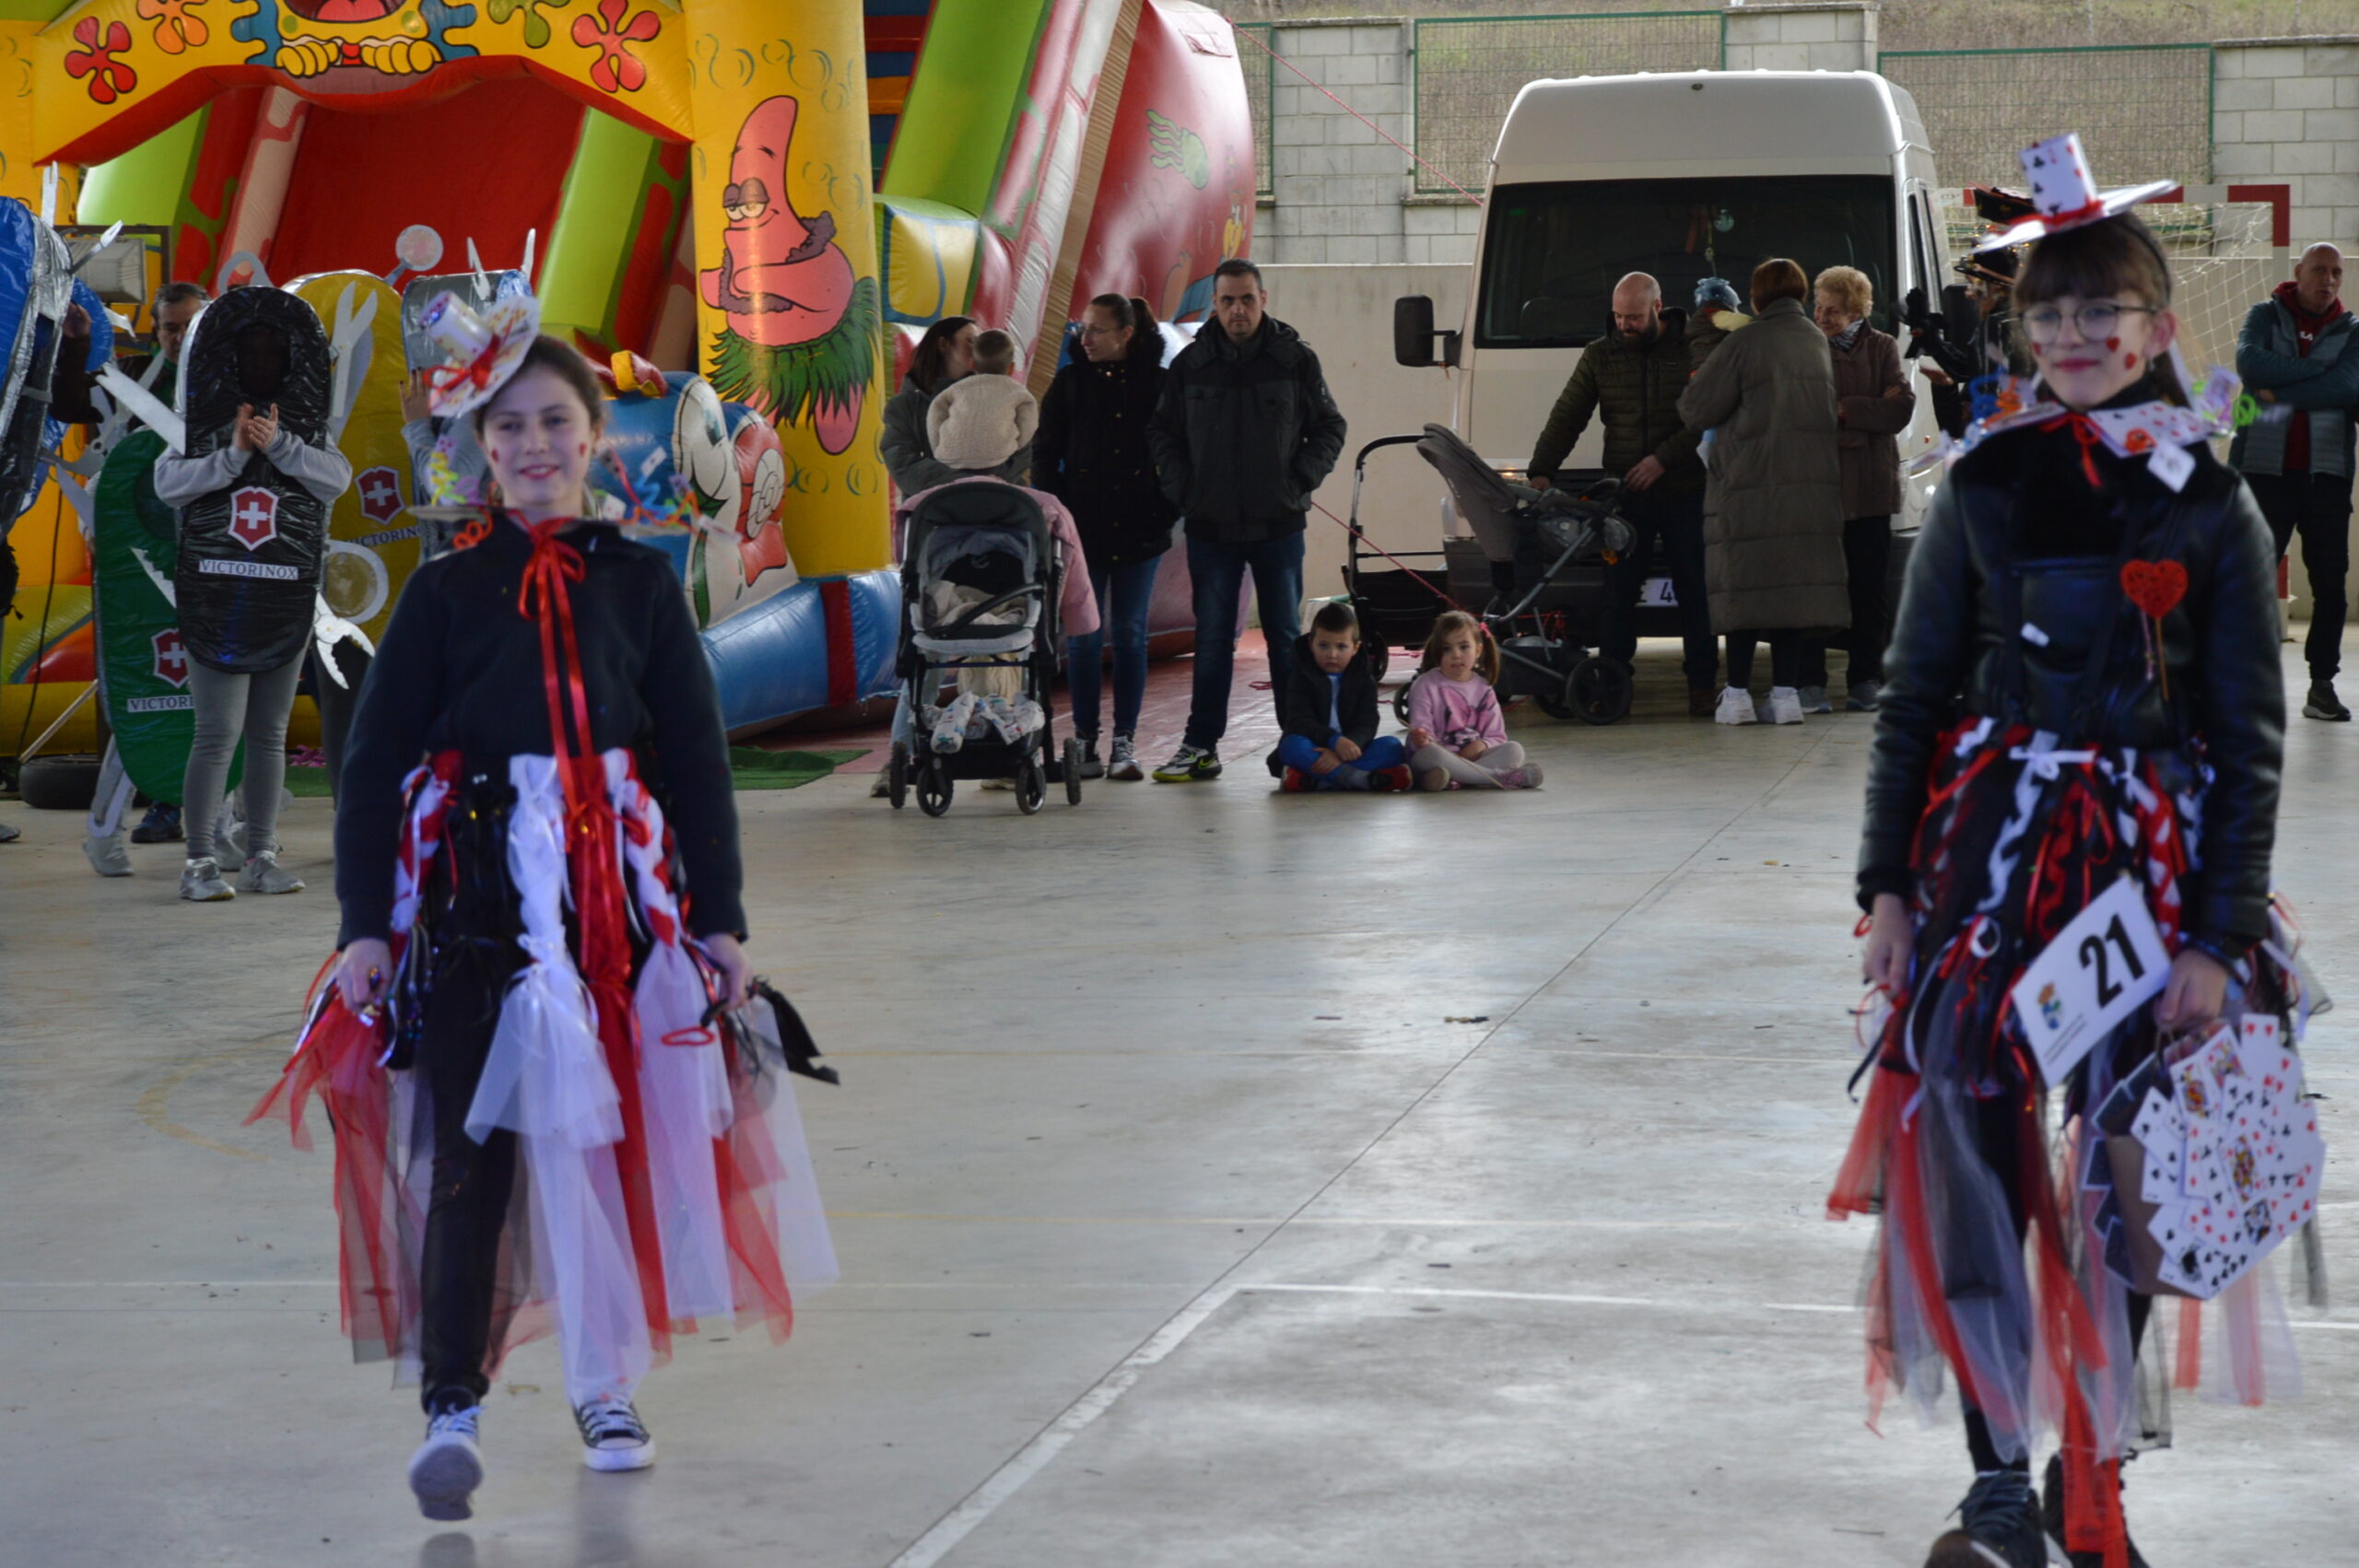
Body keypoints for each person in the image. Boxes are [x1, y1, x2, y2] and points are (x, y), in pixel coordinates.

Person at [1835, 137, 2296, 1568]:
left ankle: (2089, 1482)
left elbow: (2250, 740)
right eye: (2049, 314)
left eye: (2103, 312)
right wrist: (1890, 889)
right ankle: (1992, 1483)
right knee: (1968, 1161)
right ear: (2020, 329)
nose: (2074, 336)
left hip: (2149, 888)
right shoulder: (1980, 489)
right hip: (1988, 871)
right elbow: (1911, 697)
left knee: (2128, 1185)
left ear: (2158, 327)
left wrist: (2217, 941)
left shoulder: (2212, 503)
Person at [313, 310, 824, 1520]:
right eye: (511, 427)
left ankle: (606, 1384)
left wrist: (720, 919)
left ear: (596, 438)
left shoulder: (641, 584)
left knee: (600, 1153)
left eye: (557, 422)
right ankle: (453, 1403)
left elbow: (696, 763)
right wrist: (367, 925)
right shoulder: (443, 595)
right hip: (480, 911)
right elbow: (376, 763)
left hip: (615, 919)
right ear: (479, 447)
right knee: (467, 1163)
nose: (535, 444)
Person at [152, 290, 352, 900]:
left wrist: (282, 446)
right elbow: (169, 485)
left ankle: (261, 854)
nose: (261, 358)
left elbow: (334, 481)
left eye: (273, 350)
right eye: (251, 349)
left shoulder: (305, 426)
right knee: (217, 733)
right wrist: (234, 455)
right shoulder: (202, 421)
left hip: (286, 593)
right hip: (217, 594)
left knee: (269, 732)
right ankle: (198, 864)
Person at [1148, 259, 1346, 782]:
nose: (1238, 309)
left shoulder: (1295, 360)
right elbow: (1162, 434)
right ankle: (1200, 746)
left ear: (1264, 299)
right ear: (1213, 305)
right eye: (1228, 300)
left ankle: (1295, 745)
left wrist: (1297, 481)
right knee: (1212, 638)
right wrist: (1186, 491)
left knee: (1284, 636)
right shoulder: (1190, 366)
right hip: (1211, 528)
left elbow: (1329, 426)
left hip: (1278, 525)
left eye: (1247, 299)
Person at [1528, 272, 1718, 717]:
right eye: (1617, 316)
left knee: (1697, 589)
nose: (1624, 325)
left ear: (1657, 308)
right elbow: (1567, 415)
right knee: (1617, 592)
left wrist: (1663, 459)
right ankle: (1611, 685)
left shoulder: (1692, 347)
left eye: (1633, 317)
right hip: (1625, 497)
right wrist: (1541, 472)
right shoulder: (1600, 354)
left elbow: (1706, 415)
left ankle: (1703, 685)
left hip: (1685, 490)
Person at [1676, 257, 1845, 726]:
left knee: (1744, 590)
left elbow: (1695, 408)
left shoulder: (1746, 340)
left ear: (1756, 298)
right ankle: (1786, 695)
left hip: (1750, 486)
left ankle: (1736, 697)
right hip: (1809, 489)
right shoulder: (1815, 340)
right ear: (1802, 294)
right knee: (1790, 592)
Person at [71, 281, 209, 854]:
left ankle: (218, 815)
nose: (180, 337)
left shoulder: (232, 382)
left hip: (211, 561)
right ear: (156, 332)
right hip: (138, 562)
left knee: (218, 696)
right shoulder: (131, 389)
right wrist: (79, 349)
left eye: (191, 325)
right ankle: (140, 813)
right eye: (170, 327)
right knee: (148, 685)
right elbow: (79, 416)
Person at [1034, 294, 1176, 781]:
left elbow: (1177, 453)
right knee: (1084, 637)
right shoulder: (1071, 383)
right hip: (1083, 529)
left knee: (1132, 634)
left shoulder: (1158, 384)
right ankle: (1086, 740)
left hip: (1141, 528)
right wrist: (1057, 511)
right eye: (1082, 329)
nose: (1085, 339)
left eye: (1096, 330)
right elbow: (1045, 449)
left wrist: (1164, 508)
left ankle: (1124, 741)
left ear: (1125, 334)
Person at [2231, 241, 2359, 721]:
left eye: (2336, 273)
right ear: (2299, 272)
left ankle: (2321, 686)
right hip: (2263, 472)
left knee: (2331, 586)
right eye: (2319, 270)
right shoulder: (2264, 316)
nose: (2327, 280)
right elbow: (2251, 365)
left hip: (2326, 476)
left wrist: (2280, 391)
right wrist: (2320, 373)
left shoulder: (2352, 331)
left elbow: (2350, 387)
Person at [1814, 264, 1913, 712]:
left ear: (1856, 310)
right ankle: (1810, 680)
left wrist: (1846, 412)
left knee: (1869, 592)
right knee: (1818, 588)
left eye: (1832, 310)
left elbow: (1901, 409)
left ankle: (1865, 679)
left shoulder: (1883, 347)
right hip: (1822, 488)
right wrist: (1867, 415)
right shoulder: (1808, 349)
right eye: (1817, 307)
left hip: (1871, 490)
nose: (1821, 317)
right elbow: (1808, 413)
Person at [880, 315, 1030, 497]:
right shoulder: (905, 406)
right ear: (944, 344)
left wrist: (980, 483)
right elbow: (902, 463)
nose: (979, 349)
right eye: (971, 342)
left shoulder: (1005, 396)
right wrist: (970, 483)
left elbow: (1023, 452)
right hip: (935, 512)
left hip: (1001, 508)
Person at [1273, 601, 1408, 792]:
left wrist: (1345, 749)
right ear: (1311, 643)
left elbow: (1367, 722)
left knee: (1392, 747)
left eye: (1341, 646)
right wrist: (1334, 741)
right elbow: (1300, 721)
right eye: (1323, 645)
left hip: (1351, 749)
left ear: (1355, 647)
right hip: (1316, 747)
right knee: (1291, 746)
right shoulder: (1301, 675)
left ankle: (1318, 781)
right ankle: (1360, 779)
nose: (1332, 654)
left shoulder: (1364, 679)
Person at [1404, 610, 1541, 790]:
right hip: (1438, 756)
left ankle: (1454, 779)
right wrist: (1422, 738)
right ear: (1437, 652)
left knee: (1514, 750)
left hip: (1475, 757)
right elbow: (1422, 731)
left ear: (1478, 650)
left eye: (1464, 647)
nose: (1456, 655)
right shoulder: (1425, 684)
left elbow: (1496, 735)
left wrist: (1481, 744)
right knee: (1428, 755)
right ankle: (1496, 778)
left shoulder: (1484, 688)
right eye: (1447, 648)